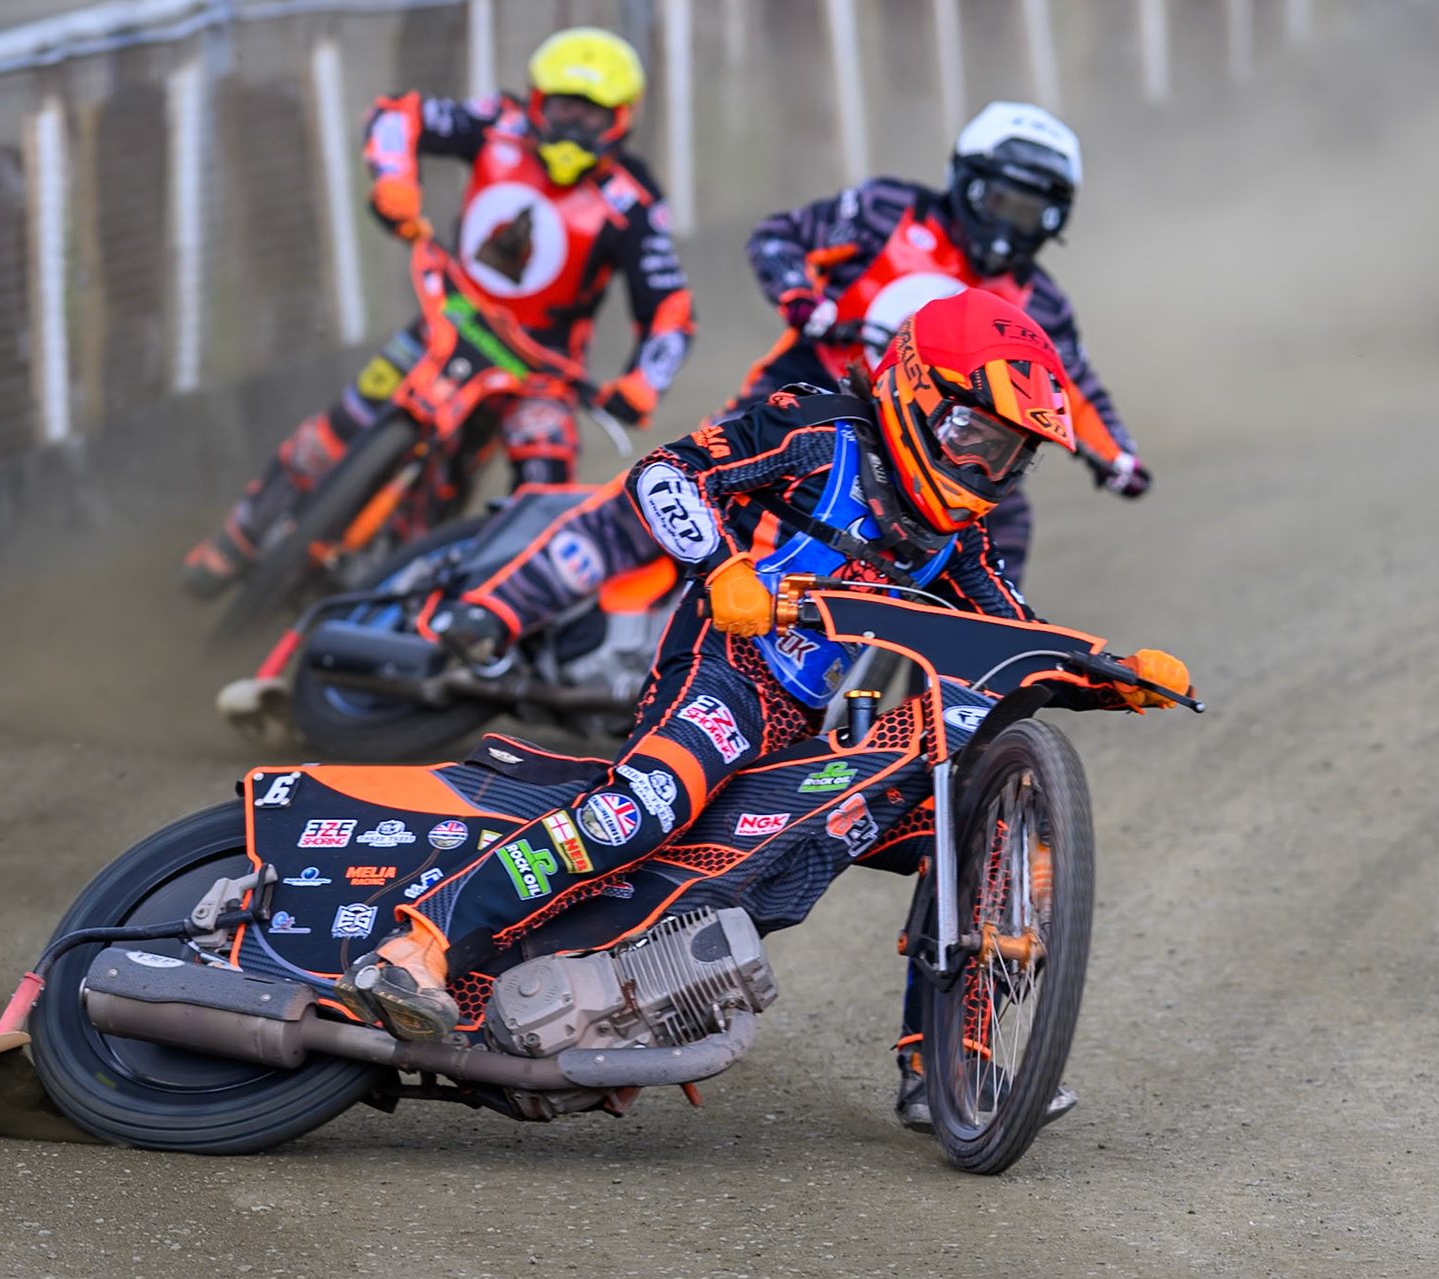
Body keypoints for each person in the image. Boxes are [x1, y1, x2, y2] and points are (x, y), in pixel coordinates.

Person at [335, 290, 1192, 1055]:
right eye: (972, 435)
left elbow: (1016, 636)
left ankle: (944, 1067)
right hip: (722, 672)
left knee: (964, 833)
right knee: (648, 806)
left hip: (803, 724)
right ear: (916, 391)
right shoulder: (818, 433)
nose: (981, 469)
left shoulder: (958, 540)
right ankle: (420, 949)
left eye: (1005, 455)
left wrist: (1109, 675)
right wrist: (721, 570)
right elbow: (664, 474)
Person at [428, 100, 1142, 663]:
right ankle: (497, 607)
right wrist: (805, 300)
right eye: (999, 200)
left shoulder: (1040, 306)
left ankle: (970, 682)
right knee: (684, 486)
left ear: (1056, 220)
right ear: (965, 181)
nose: (1007, 227)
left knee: (998, 525)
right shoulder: (888, 209)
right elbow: (778, 238)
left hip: (933, 454)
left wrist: (1121, 457)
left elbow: (1067, 388)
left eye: (1031, 211)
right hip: (813, 395)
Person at [182, 26, 695, 597]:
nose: (574, 127)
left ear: (624, 119)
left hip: (538, 374)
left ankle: (479, 614)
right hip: (445, 324)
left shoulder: (635, 201)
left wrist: (644, 384)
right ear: (535, 100)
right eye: (564, 108)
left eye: (593, 116)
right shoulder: (498, 124)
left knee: (544, 486)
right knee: (333, 432)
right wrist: (394, 184)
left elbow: (669, 306)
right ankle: (238, 540)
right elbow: (398, 116)